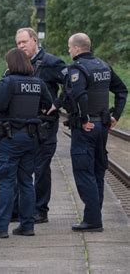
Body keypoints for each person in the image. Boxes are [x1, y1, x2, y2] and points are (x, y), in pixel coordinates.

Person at [48, 33, 127, 232]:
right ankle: (94, 215)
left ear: (76, 48)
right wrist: (115, 115)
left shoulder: (77, 68)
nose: (68, 50)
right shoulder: (103, 66)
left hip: (86, 129)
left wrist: (83, 119)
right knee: (98, 171)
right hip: (102, 126)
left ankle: (93, 220)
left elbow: (79, 94)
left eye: (69, 47)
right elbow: (121, 90)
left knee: (84, 172)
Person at [0, 48, 52, 238]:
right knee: (27, 182)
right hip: (31, 138)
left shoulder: (8, 82)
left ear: (12, 63)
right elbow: (47, 104)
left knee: (7, 182)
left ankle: (1, 228)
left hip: (11, 137)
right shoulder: (38, 83)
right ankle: (27, 226)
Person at [15, 27, 67, 224]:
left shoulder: (51, 62)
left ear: (34, 41)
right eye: (18, 43)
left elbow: (72, 83)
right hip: (25, 123)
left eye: (24, 42)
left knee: (42, 167)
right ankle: (22, 208)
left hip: (45, 124)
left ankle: (40, 210)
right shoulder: (18, 63)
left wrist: (58, 104)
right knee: (23, 166)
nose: (21, 46)